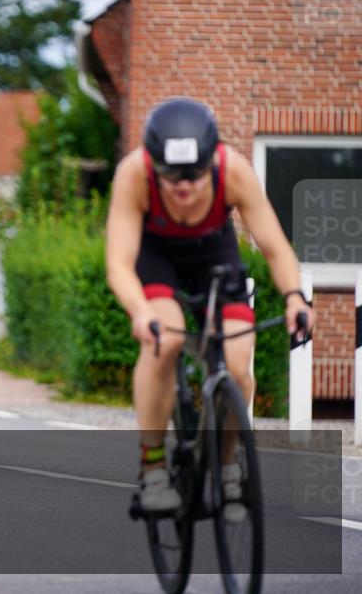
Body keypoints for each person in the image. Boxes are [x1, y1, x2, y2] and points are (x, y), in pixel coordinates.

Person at [105, 98, 314, 515]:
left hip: (213, 254)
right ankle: (153, 467)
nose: (183, 188)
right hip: (157, 256)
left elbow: (275, 247)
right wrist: (140, 312)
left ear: (210, 163)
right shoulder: (134, 173)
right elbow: (119, 262)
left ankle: (226, 462)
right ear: (154, 164)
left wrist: (294, 298)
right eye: (172, 178)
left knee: (237, 363)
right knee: (163, 339)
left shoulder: (233, 170)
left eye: (194, 178)